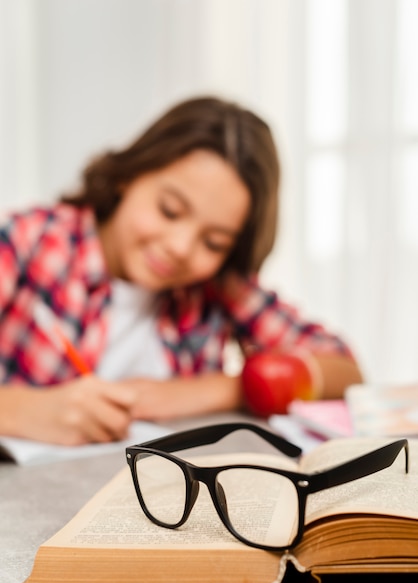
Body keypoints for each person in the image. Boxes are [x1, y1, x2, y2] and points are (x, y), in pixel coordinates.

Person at [0, 96, 362, 445]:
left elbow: (344, 370)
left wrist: (217, 390)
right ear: (130, 174)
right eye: (169, 210)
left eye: (214, 243)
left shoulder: (215, 284)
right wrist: (25, 411)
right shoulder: (29, 241)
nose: (181, 247)